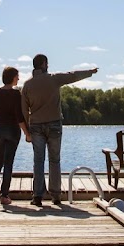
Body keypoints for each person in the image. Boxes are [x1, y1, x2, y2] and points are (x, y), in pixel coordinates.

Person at [21, 54, 97, 207]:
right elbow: (72, 76)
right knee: (54, 160)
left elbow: (23, 110)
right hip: (54, 125)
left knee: (38, 161)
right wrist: (90, 72)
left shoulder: (27, 85)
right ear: (44, 64)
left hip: (35, 127)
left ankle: (37, 197)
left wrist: (27, 132)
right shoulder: (53, 79)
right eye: (47, 63)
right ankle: (56, 196)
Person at [0, 66, 31, 206]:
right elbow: (19, 117)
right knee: (8, 163)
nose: (19, 78)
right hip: (13, 130)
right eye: (17, 76)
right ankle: (4, 196)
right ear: (12, 77)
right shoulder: (16, 94)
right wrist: (27, 133)